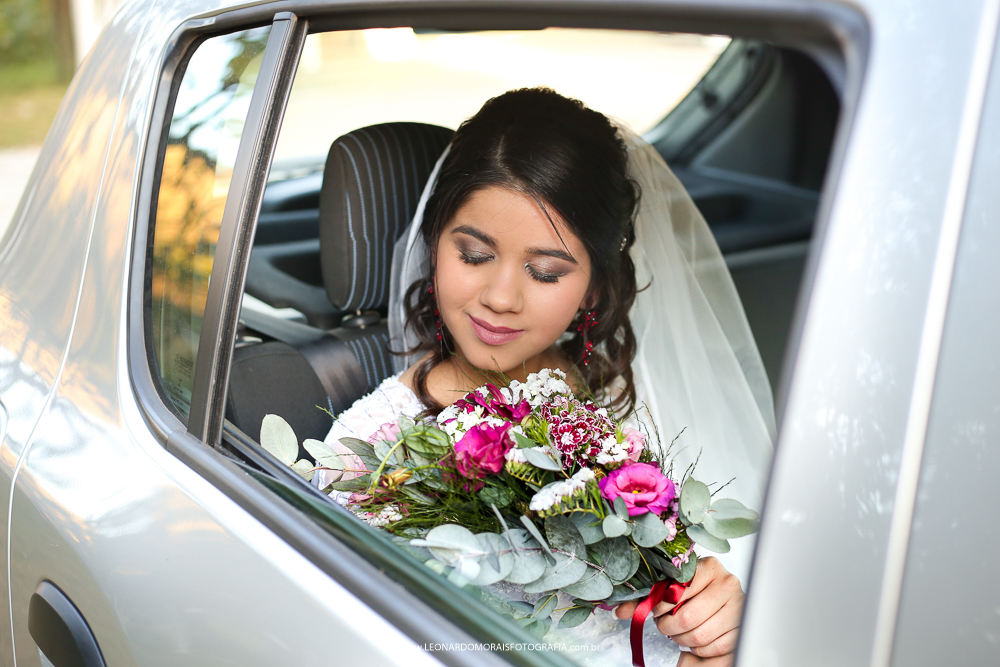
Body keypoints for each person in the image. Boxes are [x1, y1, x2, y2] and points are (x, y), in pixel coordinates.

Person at [316, 87, 775, 666]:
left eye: (545, 271)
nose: (501, 298)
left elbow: (673, 601)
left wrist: (710, 615)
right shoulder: (367, 460)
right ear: (433, 245)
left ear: (594, 285)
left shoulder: (613, 393)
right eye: (475, 256)